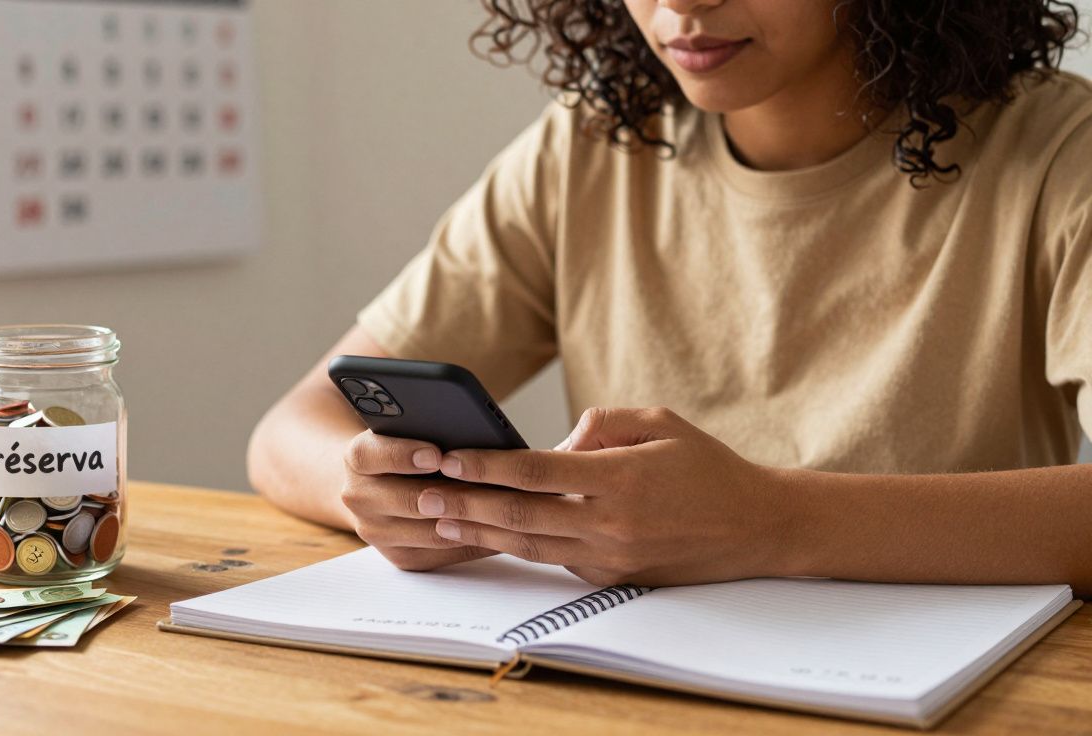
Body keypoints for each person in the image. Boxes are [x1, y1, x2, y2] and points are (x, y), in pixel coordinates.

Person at [249, 0, 1092, 596]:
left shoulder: (1059, 153)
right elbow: (290, 432)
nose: (682, 4)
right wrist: (382, 498)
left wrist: (771, 520)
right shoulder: (586, 149)